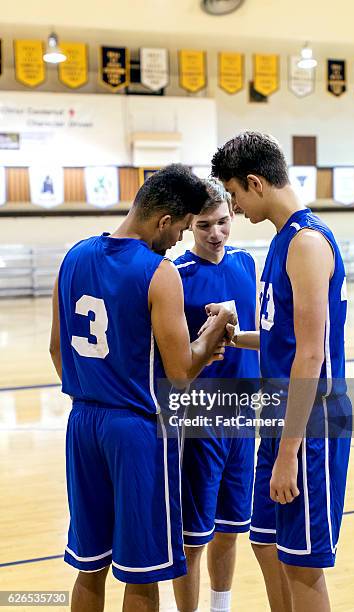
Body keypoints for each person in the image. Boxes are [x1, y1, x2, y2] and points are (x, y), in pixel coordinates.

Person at [49, 164, 236, 612]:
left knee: (89, 566)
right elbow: (179, 371)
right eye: (183, 229)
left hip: (82, 422)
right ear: (164, 221)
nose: (178, 242)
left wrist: (99, 385)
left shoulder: (73, 255)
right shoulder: (159, 271)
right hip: (136, 430)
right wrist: (216, 331)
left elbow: (57, 349)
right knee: (143, 571)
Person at [210, 132, 351, 612]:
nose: (235, 206)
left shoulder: (307, 243)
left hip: (309, 424)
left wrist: (288, 452)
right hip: (280, 416)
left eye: (234, 194)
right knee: (265, 542)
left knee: (302, 564)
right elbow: (281, 338)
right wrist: (234, 335)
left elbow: (310, 356)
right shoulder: (281, 241)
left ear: (255, 183)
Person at [172, 179, 259, 612]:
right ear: (189, 224)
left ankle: (220, 607)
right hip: (199, 416)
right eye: (204, 225)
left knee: (231, 526)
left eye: (223, 222)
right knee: (194, 534)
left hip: (244, 415)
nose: (216, 233)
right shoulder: (174, 277)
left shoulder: (247, 264)